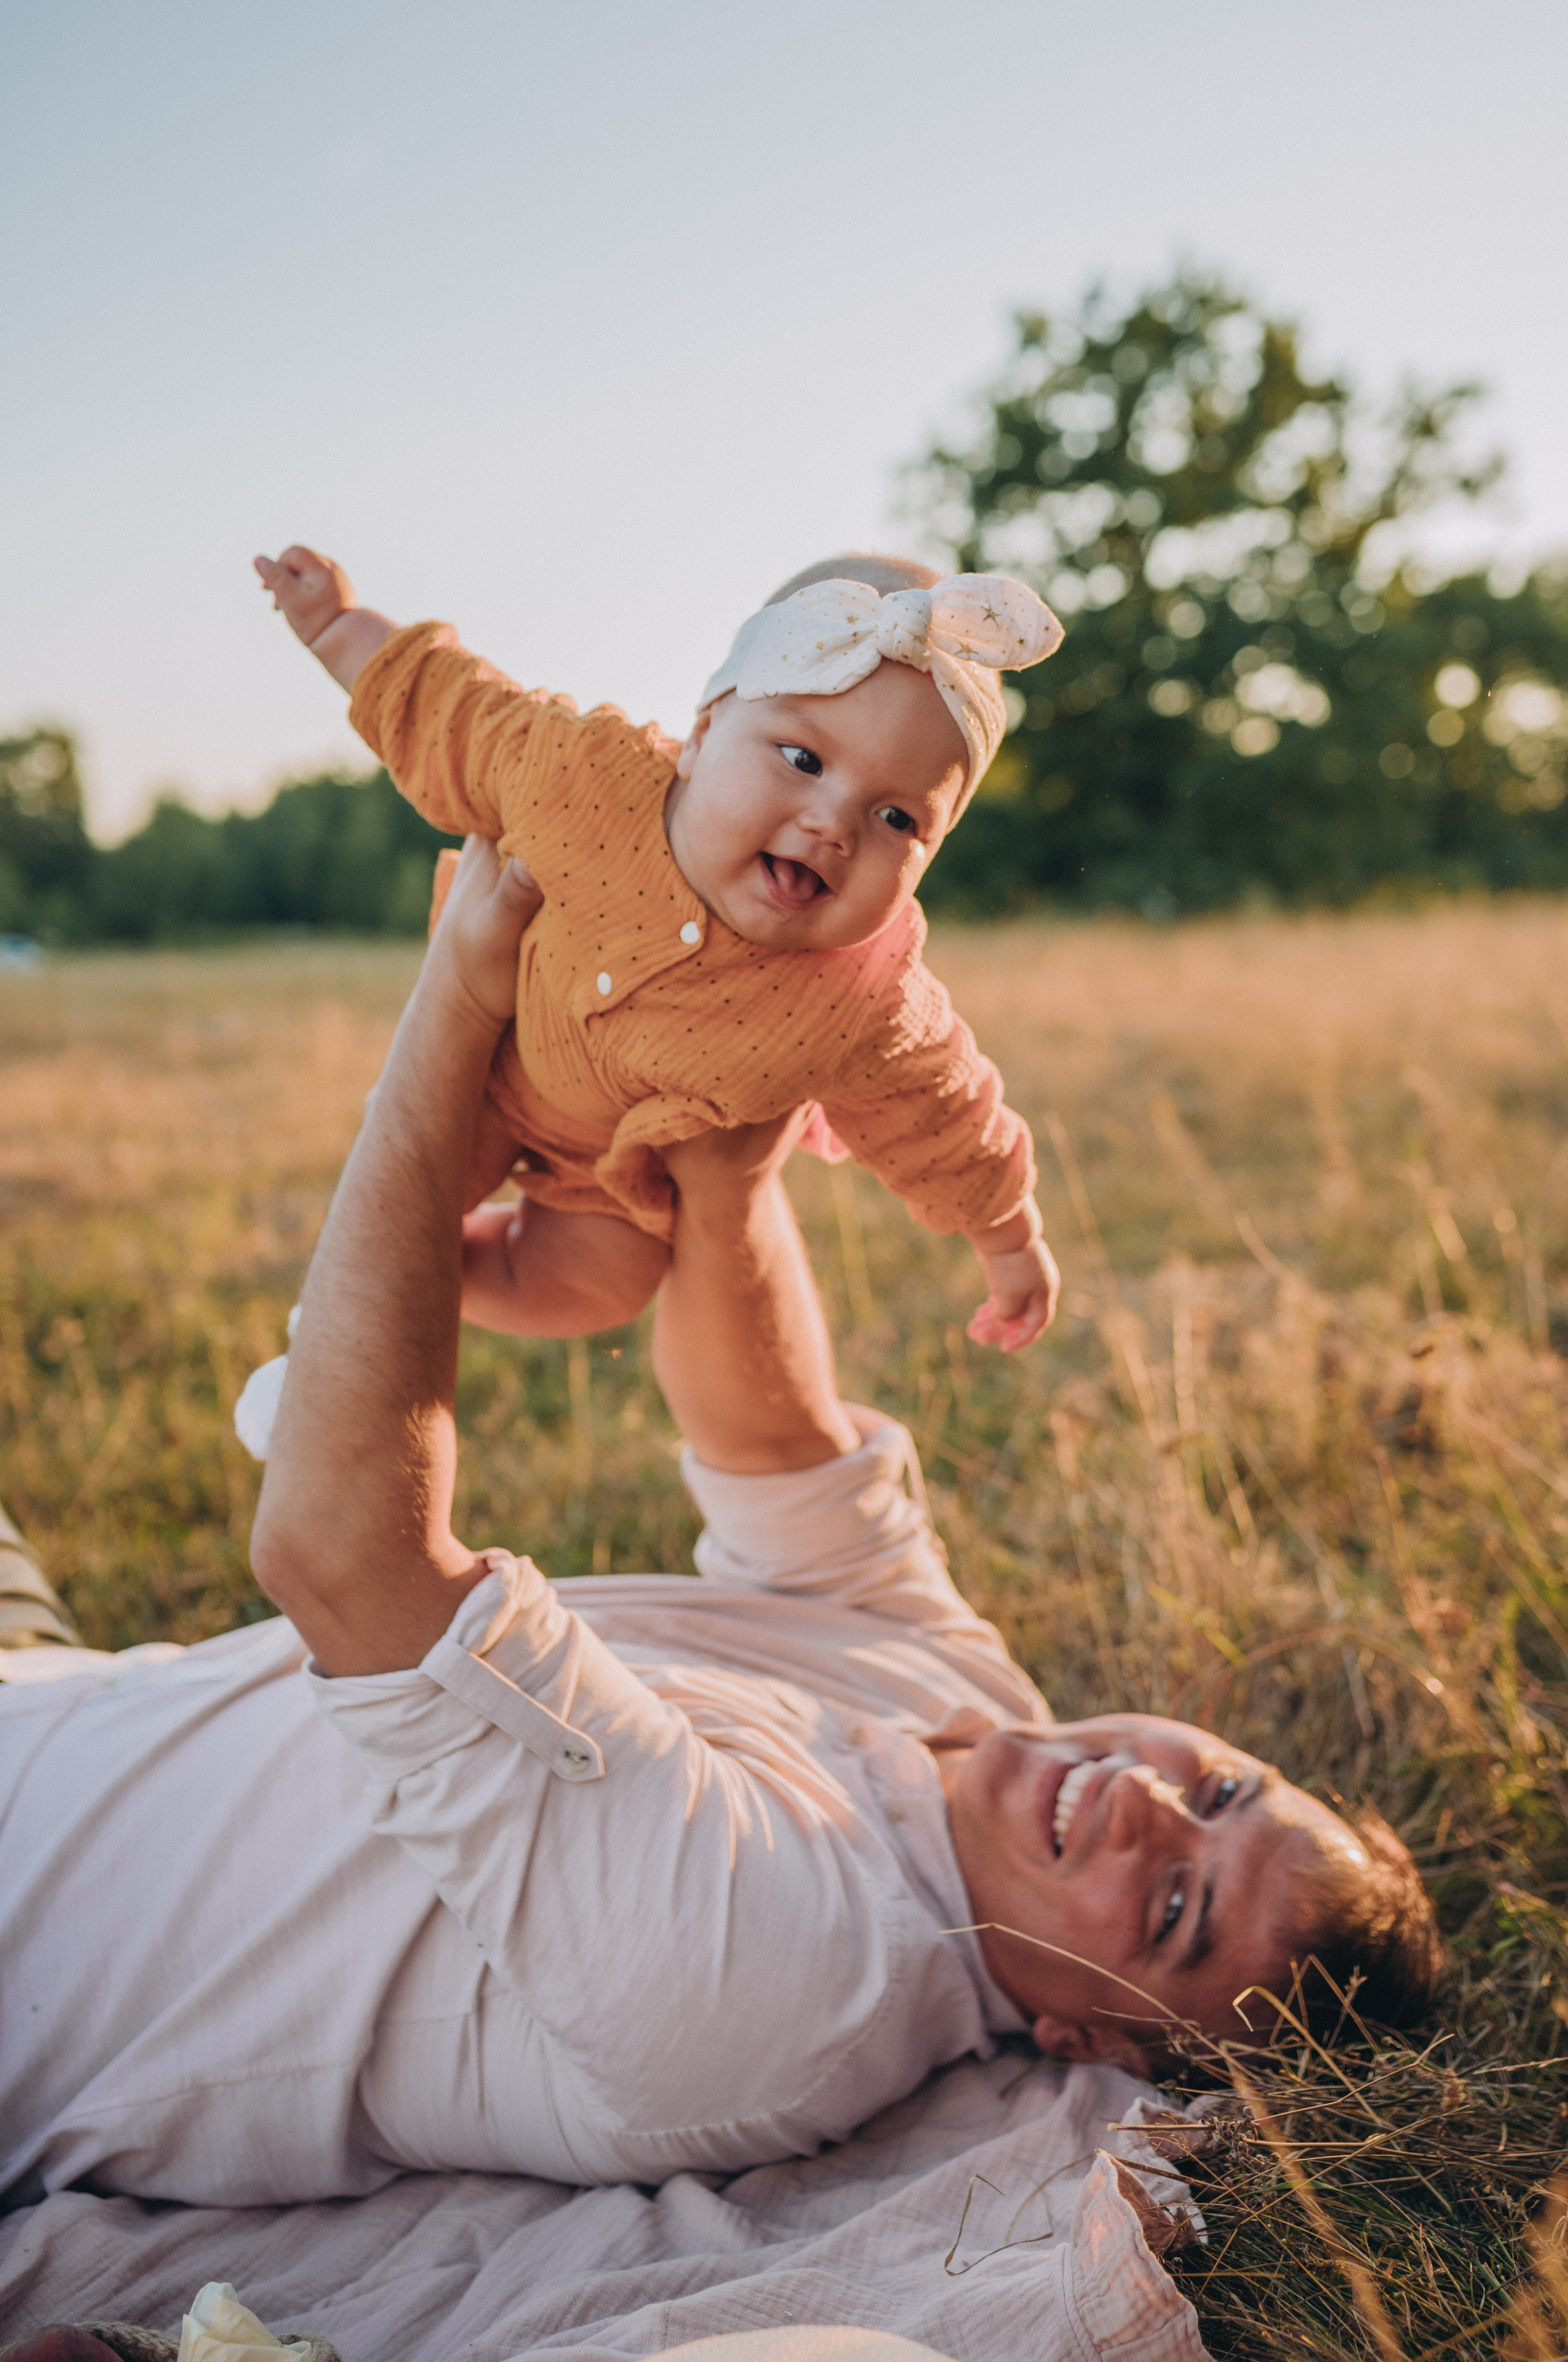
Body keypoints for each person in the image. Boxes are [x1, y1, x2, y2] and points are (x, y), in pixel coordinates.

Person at [0, 842, 1442, 2215]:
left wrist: (452, 1009)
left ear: (1094, 2047)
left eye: (1176, 1908)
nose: (1147, 1799)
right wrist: (732, 1127)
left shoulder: (788, 1978)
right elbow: (776, 1446)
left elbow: (343, 1550)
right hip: (57, 1693)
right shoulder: (970, 1708)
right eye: (1228, 1788)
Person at [252, 544, 1062, 1352]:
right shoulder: (583, 777)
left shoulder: (865, 999)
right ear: (705, 731)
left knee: (591, 1289)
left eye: (898, 820)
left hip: (610, 1172)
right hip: (485, 1072)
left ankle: (441, 1279)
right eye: (804, 760)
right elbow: (455, 710)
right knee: (403, 1197)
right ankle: (348, 1307)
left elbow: (944, 1115)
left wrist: (1009, 1240)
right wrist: (336, 627)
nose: (834, 824)